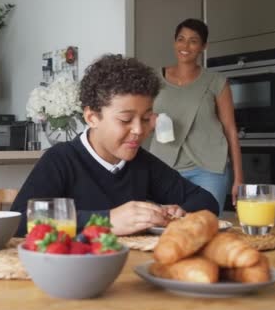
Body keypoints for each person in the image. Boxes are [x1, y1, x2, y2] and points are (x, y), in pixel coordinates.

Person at [11, 54, 218, 237]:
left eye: (146, 119)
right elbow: (19, 221)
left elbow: (206, 201)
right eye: (126, 120)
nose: (139, 130)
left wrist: (180, 212)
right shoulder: (61, 160)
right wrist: (106, 220)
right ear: (92, 117)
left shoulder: (142, 163)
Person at [150, 18, 243, 215]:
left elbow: (230, 129)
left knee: (205, 226)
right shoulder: (154, 79)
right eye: (181, 39)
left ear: (203, 46)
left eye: (193, 40)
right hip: (164, 168)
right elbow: (139, 118)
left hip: (208, 169)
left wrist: (239, 179)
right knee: (166, 229)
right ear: (174, 42)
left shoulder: (216, 82)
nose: (185, 46)